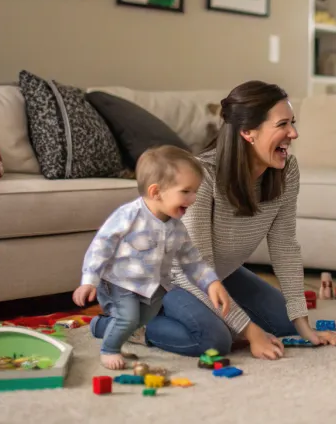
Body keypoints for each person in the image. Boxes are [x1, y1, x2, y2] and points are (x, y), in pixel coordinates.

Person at [93, 81, 336, 360]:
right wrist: (251, 333)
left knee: (283, 323)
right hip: (163, 279)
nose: (294, 133)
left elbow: (285, 247)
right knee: (214, 340)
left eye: (292, 122)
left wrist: (305, 329)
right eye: (283, 125)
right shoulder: (203, 177)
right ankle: (125, 326)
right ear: (247, 132)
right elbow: (191, 271)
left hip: (216, 272)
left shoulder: (286, 170)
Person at [74, 145, 231, 370]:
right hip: (120, 282)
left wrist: (211, 283)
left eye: (195, 191)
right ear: (156, 192)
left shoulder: (177, 227)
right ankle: (109, 349)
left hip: (154, 286)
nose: (194, 198)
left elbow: (192, 260)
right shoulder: (129, 216)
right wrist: (89, 280)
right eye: (186, 191)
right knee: (128, 318)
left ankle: (113, 329)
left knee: (142, 320)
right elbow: (101, 246)